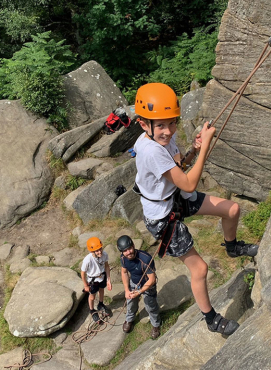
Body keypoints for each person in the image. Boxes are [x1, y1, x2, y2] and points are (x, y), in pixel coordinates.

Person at [133, 82, 259, 336]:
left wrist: (195, 149)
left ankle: (232, 247)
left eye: (172, 123)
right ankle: (211, 319)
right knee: (200, 269)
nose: (168, 131)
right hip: (162, 216)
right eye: (160, 125)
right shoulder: (150, 151)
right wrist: (207, 147)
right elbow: (189, 180)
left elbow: (179, 165)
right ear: (143, 124)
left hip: (175, 197)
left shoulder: (163, 137)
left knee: (232, 210)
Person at [117, 235, 161, 339]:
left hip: (147, 284)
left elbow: (152, 279)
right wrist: (127, 290)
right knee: (130, 302)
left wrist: (140, 291)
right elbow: (124, 273)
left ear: (133, 245)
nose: (128, 252)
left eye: (130, 248)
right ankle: (129, 319)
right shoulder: (123, 258)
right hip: (134, 282)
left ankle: (156, 324)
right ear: (121, 252)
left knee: (150, 306)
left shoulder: (146, 259)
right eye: (125, 251)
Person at [81, 236, 112, 322]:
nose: (99, 252)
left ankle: (101, 304)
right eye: (97, 251)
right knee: (92, 296)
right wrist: (85, 285)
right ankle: (92, 310)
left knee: (101, 290)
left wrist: (108, 280)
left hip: (102, 276)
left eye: (100, 249)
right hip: (93, 280)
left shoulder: (104, 255)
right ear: (92, 251)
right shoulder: (87, 260)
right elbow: (83, 273)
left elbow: (106, 266)